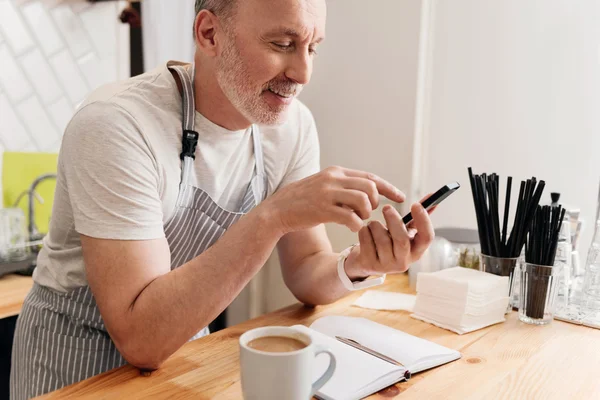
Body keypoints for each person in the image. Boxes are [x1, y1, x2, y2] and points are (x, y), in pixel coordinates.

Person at [10, 0, 435, 398]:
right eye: (283, 44)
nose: (303, 73)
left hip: (185, 354)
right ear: (210, 33)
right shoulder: (117, 126)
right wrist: (273, 216)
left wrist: (358, 263)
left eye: (312, 48)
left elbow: (306, 270)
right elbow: (140, 336)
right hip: (76, 366)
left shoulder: (291, 127)